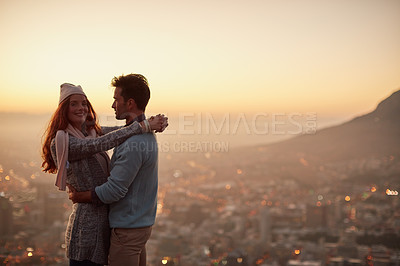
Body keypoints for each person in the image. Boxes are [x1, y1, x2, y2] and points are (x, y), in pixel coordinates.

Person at [41, 82, 167, 266]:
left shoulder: (90, 132)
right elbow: (99, 144)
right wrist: (144, 125)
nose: (81, 108)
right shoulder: (63, 141)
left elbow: (118, 132)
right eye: (73, 104)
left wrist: (149, 124)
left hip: (107, 227)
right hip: (87, 231)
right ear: (63, 110)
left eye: (84, 103)